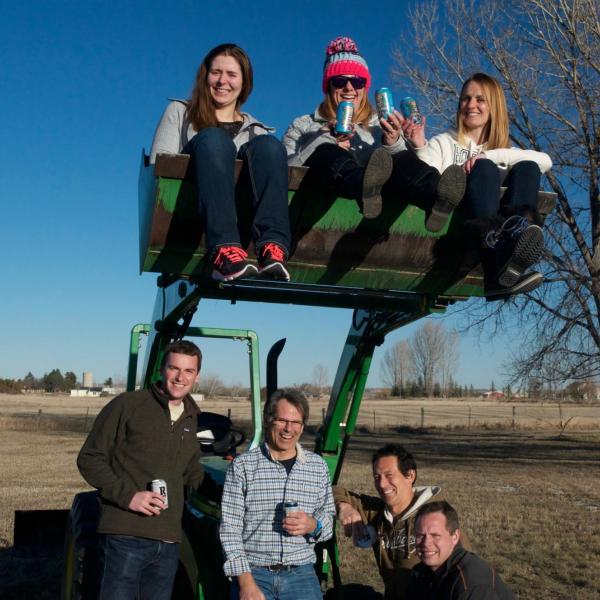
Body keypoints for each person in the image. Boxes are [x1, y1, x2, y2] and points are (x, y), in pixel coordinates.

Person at [283, 36, 466, 224]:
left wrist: (394, 142)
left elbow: (406, 169)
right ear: (328, 86)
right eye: (339, 81)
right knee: (325, 150)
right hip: (321, 201)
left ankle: (436, 197)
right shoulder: (303, 125)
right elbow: (284, 171)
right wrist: (324, 137)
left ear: (365, 87)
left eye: (357, 82)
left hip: (379, 206)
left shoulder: (379, 125)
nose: (349, 87)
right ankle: (362, 184)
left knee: (400, 157)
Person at [150, 43, 291, 281]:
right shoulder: (180, 113)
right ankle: (223, 249)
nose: (222, 81)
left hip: (243, 222)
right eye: (215, 73)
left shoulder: (258, 132)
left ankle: (271, 248)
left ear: (244, 83)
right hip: (191, 216)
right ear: (205, 76)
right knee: (215, 140)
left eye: (232, 75)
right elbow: (160, 169)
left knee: (270, 146)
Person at [405, 72, 552, 300]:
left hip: (500, 238)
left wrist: (487, 155)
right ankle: (494, 258)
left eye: (480, 99)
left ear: (494, 107)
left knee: (528, 167)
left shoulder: (505, 154)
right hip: (457, 234)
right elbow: (425, 179)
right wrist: (419, 148)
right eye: (466, 98)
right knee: (483, 170)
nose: (471, 105)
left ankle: (514, 241)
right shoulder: (444, 143)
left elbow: (546, 161)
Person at [77, 340, 205, 600]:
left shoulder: (191, 417)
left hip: (169, 540)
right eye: (174, 368)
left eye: (188, 371)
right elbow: (89, 458)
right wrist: (129, 497)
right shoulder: (129, 405)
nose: (181, 377)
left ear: (197, 376)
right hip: (126, 534)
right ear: (161, 369)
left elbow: (192, 473)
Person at [220, 388, 335, 600]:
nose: (288, 429)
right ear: (268, 420)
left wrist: (313, 525)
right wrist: (246, 584)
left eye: (296, 423)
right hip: (255, 573)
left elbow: (328, 517)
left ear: (302, 427)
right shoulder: (243, 467)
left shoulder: (317, 467)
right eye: (282, 420)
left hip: (301, 574)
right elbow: (230, 530)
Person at [333, 444, 470, 600]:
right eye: (377, 477)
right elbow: (332, 490)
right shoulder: (377, 513)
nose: (382, 484)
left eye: (389, 475)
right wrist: (344, 507)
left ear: (410, 476)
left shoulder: (435, 518)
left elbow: (466, 571)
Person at [408, 501, 516, 599]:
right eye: (420, 535)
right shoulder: (421, 572)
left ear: (455, 536)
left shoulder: (470, 584)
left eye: (435, 535)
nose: (426, 543)